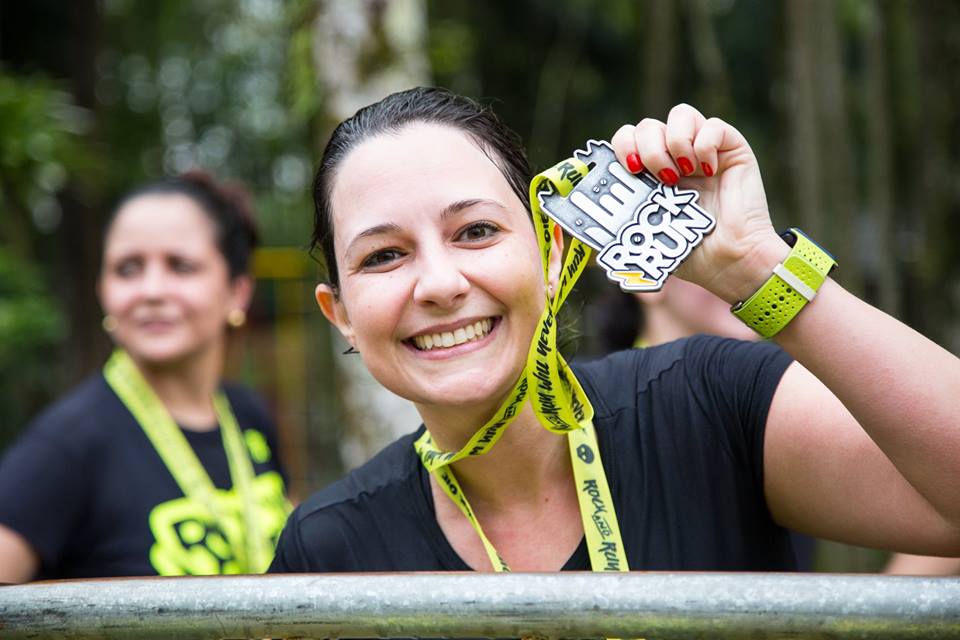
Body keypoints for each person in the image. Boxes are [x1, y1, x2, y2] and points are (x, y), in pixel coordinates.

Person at [269, 87, 960, 573]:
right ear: (344, 315)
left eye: (475, 231)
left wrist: (757, 267)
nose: (441, 283)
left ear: (551, 255)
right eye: (384, 255)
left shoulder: (705, 404)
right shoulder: (328, 547)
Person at [0, 171, 290, 582]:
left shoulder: (248, 415)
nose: (151, 290)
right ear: (103, 290)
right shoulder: (66, 445)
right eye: (127, 268)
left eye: (181, 266)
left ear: (237, 292)